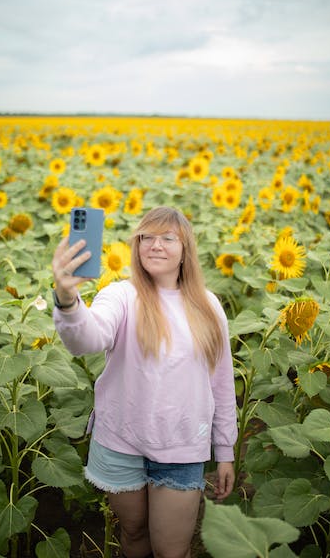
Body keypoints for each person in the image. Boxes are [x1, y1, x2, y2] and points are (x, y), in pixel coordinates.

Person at [52, 206, 237, 558]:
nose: (155, 245)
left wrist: (225, 450)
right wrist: (67, 299)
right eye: (146, 237)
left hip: (181, 445)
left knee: (170, 551)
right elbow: (86, 340)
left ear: (186, 251)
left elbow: (221, 385)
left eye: (168, 238)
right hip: (121, 441)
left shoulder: (208, 307)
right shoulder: (121, 295)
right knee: (134, 534)